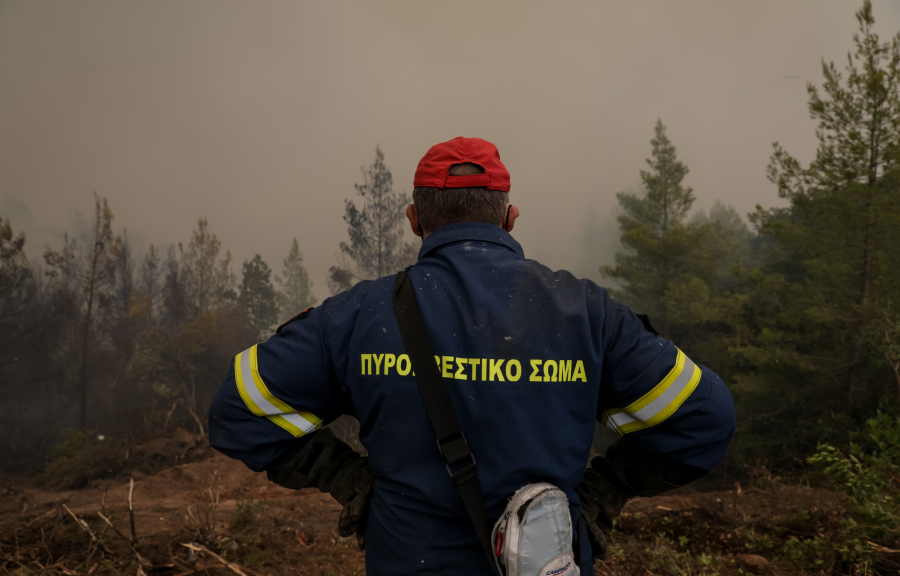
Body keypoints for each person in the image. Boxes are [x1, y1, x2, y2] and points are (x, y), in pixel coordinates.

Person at [208, 136, 735, 576]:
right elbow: (705, 419)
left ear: (415, 219)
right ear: (510, 216)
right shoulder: (588, 315)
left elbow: (237, 409)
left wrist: (346, 478)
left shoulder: (354, 318)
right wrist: (604, 490)